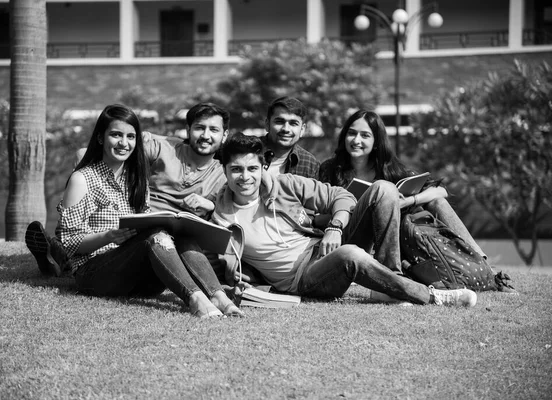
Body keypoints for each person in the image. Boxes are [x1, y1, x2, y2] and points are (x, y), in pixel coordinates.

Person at [211, 132, 477, 307]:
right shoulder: (220, 216)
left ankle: (391, 283)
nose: (245, 177)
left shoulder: (284, 185)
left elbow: (341, 197)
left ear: (262, 168)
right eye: (236, 169)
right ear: (224, 171)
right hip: (304, 278)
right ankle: (432, 296)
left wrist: (335, 227)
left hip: (323, 247)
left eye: (252, 169)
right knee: (350, 254)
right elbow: (216, 261)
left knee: (383, 188)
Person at [30, 104, 243, 318]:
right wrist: (109, 236)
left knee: (182, 234)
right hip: (95, 274)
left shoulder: (137, 179)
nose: (124, 143)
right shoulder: (82, 179)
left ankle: (218, 296)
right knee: (155, 236)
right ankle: (195, 299)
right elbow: (69, 244)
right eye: (116, 135)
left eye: (131, 137)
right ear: (100, 138)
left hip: (143, 282)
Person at [318, 109, 487, 260]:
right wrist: (349, 212)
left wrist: (407, 201)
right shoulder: (331, 169)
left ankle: (482, 261)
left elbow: (440, 191)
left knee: (437, 202)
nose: (356, 140)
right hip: (347, 238)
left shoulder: (389, 170)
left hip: (386, 239)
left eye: (365, 135)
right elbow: (316, 218)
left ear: (376, 142)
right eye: (352, 133)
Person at [262, 96, 320, 179]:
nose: (286, 129)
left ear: (302, 129)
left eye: (293, 123)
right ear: (267, 125)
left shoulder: (310, 165)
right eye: (279, 122)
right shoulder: (248, 152)